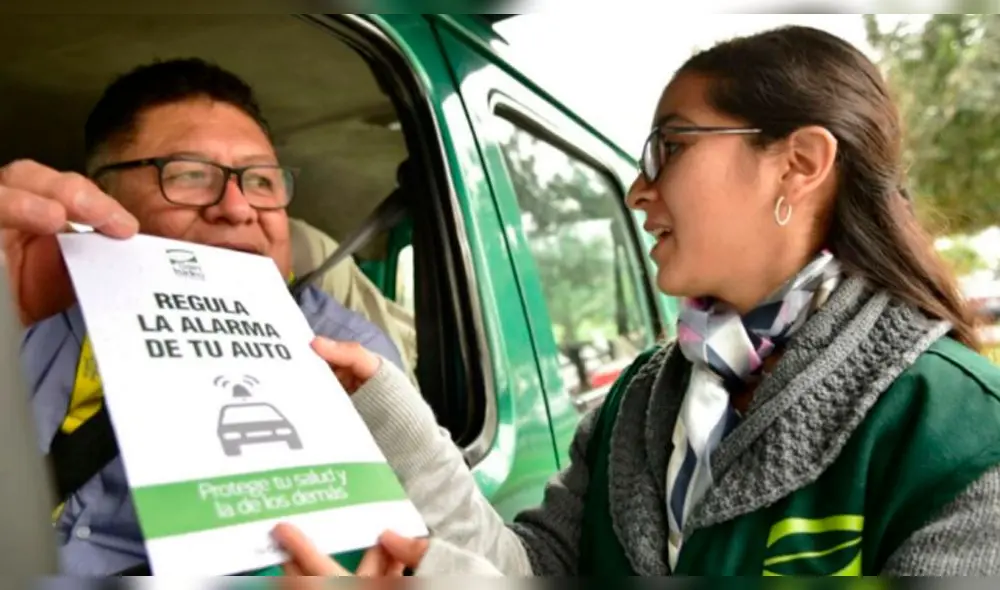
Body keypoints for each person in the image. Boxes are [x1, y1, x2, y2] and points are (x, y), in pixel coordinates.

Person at [274, 25, 1000, 576]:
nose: (637, 191)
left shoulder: (962, 436)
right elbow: (535, 576)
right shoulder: (638, 407)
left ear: (798, 164)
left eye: (671, 147)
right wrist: (391, 412)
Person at [0, 58, 406, 576]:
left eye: (260, 181)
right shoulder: (29, 302)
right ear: (96, 198)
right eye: (191, 175)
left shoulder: (351, 361)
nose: (237, 208)